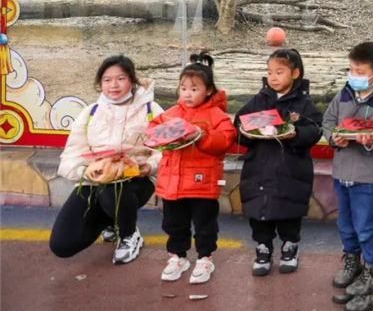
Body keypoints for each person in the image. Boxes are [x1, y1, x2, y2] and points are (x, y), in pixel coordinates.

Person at [50, 55, 164, 264]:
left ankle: (129, 234)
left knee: (112, 190)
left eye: (120, 78)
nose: (114, 85)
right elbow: (70, 156)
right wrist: (85, 172)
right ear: (100, 83)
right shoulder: (90, 113)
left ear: (131, 80)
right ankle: (111, 221)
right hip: (96, 181)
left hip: (137, 180)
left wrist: (150, 166)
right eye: (107, 79)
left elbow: (166, 151)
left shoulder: (152, 110)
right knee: (62, 244)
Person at [234, 49, 323, 277]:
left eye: (279, 72)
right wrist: (248, 134)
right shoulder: (259, 99)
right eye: (270, 72)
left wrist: (294, 134)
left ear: (295, 73)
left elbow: (314, 129)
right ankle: (263, 248)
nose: (273, 77)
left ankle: (290, 246)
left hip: (290, 170)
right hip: (259, 168)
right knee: (259, 211)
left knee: (289, 211)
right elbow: (240, 124)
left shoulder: (303, 104)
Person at [322, 42, 373, 311]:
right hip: (342, 171)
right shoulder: (344, 93)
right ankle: (352, 263)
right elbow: (328, 121)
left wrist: (369, 142)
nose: (353, 74)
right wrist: (334, 138)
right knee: (346, 224)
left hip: (368, 175)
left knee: (367, 227)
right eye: (351, 68)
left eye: (359, 70)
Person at [149, 53, 236, 284]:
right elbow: (153, 130)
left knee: (204, 223)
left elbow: (225, 141)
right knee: (173, 223)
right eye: (183, 88)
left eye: (194, 89)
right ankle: (178, 256)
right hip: (172, 182)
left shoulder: (216, 115)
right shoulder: (169, 114)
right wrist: (158, 137)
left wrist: (200, 134)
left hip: (202, 182)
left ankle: (205, 257)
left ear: (209, 91)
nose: (187, 94)